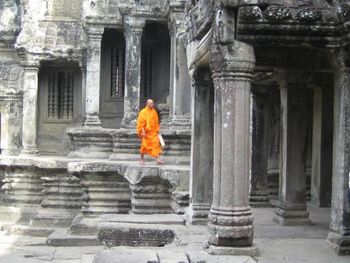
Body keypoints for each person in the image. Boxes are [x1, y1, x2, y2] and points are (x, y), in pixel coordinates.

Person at [136, 99, 164, 165]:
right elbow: (141, 123)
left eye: (153, 103)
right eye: (151, 104)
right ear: (147, 104)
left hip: (153, 132)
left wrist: (157, 130)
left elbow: (156, 122)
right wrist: (142, 132)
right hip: (145, 132)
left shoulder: (154, 112)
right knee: (144, 146)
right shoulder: (143, 112)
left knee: (156, 144)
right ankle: (141, 159)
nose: (152, 105)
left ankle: (157, 159)